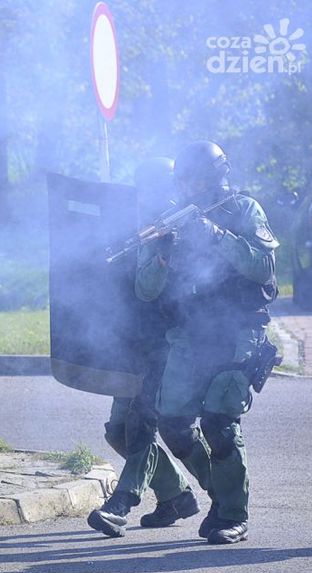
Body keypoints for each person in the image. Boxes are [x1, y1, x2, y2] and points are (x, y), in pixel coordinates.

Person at [135, 140, 279, 544]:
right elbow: (145, 289)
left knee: (219, 422)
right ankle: (221, 494)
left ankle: (233, 514)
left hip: (236, 332)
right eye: (183, 179)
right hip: (188, 335)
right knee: (174, 423)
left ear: (218, 175)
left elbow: (263, 265)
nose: (189, 186)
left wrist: (215, 235)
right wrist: (161, 256)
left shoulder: (245, 210)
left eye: (197, 178)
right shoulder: (171, 219)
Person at [87, 157, 197, 538]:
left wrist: (167, 252)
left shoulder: (187, 227)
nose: (152, 195)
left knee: (143, 426)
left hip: (169, 343)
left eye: (160, 186)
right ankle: (176, 496)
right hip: (133, 342)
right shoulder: (138, 226)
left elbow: (154, 289)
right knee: (118, 431)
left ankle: (121, 503)